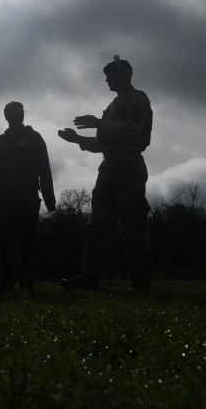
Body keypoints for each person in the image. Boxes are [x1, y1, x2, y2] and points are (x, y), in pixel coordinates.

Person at [58, 55, 153, 291]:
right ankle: (89, 277)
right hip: (109, 167)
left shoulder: (137, 99)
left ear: (124, 75)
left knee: (132, 225)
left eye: (110, 76)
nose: (107, 81)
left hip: (129, 166)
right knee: (98, 224)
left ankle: (141, 282)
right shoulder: (111, 107)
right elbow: (103, 144)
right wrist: (77, 139)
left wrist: (99, 123)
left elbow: (131, 131)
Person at [0, 101, 56, 297]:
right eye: (13, 114)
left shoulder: (24, 139)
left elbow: (44, 171)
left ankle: (17, 285)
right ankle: (18, 285)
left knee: (18, 243)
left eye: (16, 113)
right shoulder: (18, 140)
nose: (15, 117)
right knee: (20, 242)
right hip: (17, 200)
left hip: (18, 200)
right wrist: (49, 200)